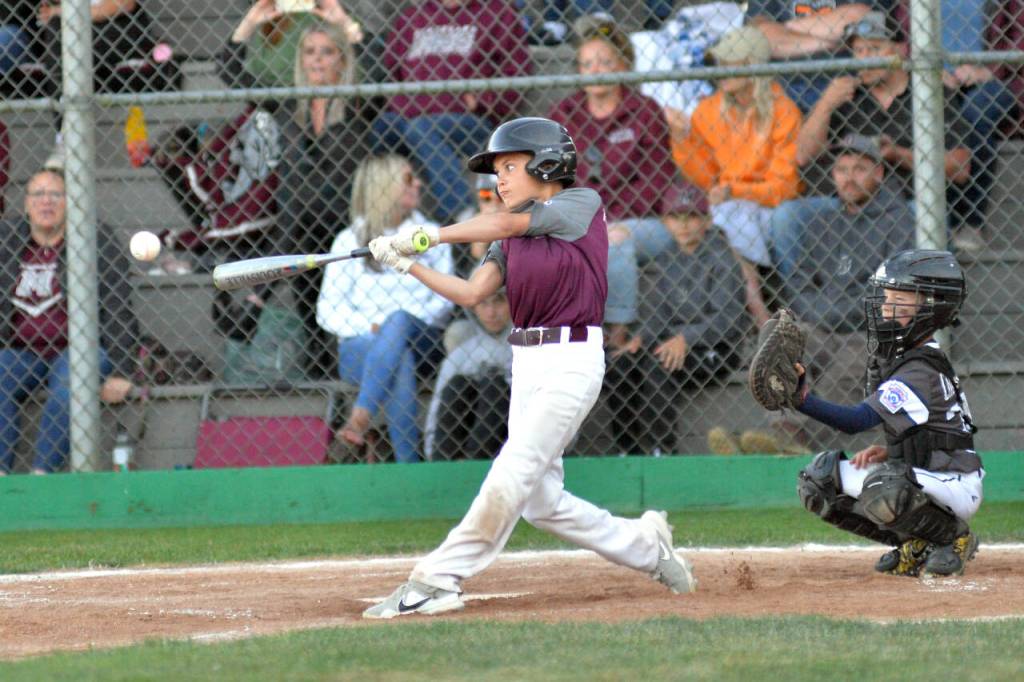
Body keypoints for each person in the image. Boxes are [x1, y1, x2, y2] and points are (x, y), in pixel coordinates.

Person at [360, 116, 696, 619]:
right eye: (498, 170)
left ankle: (437, 579)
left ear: (547, 163)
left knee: (512, 471)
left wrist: (423, 237)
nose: (500, 179)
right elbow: (474, 292)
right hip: (528, 363)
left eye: (510, 166)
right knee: (541, 502)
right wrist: (407, 264)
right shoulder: (510, 234)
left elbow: (503, 221)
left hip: (572, 361)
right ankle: (648, 547)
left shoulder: (580, 204)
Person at [793, 249, 982, 578]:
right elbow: (923, 427)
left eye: (899, 299)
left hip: (956, 483)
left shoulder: (919, 368)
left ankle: (953, 538)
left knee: (884, 485)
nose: (884, 307)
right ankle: (918, 543)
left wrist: (802, 400)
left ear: (930, 307)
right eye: (886, 297)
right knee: (820, 481)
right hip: (929, 472)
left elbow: (857, 421)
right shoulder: (904, 356)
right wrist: (892, 451)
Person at [219, 0, 374, 377]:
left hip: (345, 224)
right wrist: (253, 20)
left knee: (300, 223)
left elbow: (385, 67)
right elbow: (228, 70)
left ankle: (256, 298)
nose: (317, 61)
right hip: (302, 227)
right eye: (309, 52)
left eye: (327, 52)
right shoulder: (289, 104)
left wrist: (345, 23)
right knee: (298, 212)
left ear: (342, 59)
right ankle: (315, 361)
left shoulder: (358, 103)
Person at [776, 11, 972, 273]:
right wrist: (825, 104)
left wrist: (897, 154)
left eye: (875, 48)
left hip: (906, 202)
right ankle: (801, 300)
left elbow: (960, 168)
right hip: (845, 204)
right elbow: (802, 155)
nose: (865, 58)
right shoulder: (846, 95)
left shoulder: (931, 91)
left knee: (921, 215)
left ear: (900, 50)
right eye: (859, 51)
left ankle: (909, 303)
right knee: (786, 216)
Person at [768, 134, 914, 452]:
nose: (849, 178)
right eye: (842, 169)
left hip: (869, 329)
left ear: (878, 173)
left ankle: (808, 444)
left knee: (845, 369)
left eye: (859, 169)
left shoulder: (898, 219)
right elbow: (799, 284)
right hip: (822, 322)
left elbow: (889, 292)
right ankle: (782, 431)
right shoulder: (822, 221)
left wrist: (831, 313)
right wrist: (823, 314)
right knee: (782, 345)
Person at [316, 154, 454, 463]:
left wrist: (392, 326)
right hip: (361, 346)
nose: (418, 183)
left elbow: (444, 299)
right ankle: (410, 466)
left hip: (422, 341)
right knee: (397, 355)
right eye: (408, 179)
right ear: (385, 187)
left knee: (399, 323)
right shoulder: (348, 240)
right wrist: (372, 328)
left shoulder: (430, 234)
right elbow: (328, 309)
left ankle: (359, 419)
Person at [547, 15, 680, 331]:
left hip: (642, 221)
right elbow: (551, 179)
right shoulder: (563, 115)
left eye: (605, 61)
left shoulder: (645, 111)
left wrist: (606, 217)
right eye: (587, 63)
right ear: (579, 70)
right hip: (579, 221)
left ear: (622, 66)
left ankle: (617, 331)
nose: (596, 70)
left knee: (615, 239)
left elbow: (657, 180)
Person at [0, 169, 136, 475]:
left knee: (72, 379)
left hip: (78, 349)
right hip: (21, 351)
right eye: (38, 194)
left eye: (55, 195)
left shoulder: (95, 240)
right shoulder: (6, 241)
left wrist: (122, 369)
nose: (46, 202)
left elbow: (117, 305)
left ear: (70, 202)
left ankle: (42, 475)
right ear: (25, 204)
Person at [603, 182, 748, 455]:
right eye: (675, 217)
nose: (684, 225)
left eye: (692, 216)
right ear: (665, 222)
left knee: (659, 363)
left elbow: (728, 320)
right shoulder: (669, 257)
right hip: (672, 341)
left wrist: (686, 339)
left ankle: (663, 450)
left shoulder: (721, 258)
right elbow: (660, 313)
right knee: (621, 364)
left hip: (716, 348)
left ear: (706, 220)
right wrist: (641, 339)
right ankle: (626, 450)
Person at [672, 25, 802, 328]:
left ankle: (754, 300)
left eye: (733, 64)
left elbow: (784, 187)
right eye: (722, 63)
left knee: (729, 214)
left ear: (754, 66)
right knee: (725, 214)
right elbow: (705, 179)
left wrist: (735, 191)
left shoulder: (784, 110)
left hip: (769, 206)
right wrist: (682, 138)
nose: (724, 71)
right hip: (729, 206)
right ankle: (754, 299)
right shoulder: (708, 109)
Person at [375, 0, 532, 226]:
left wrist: (483, 100)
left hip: (469, 121)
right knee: (382, 128)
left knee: (421, 128)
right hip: (410, 117)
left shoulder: (497, 12)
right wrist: (403, 104)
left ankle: (464, 213)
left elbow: (517, 72)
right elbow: (390, 73)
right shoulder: (413, 15)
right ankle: (385, 219)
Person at [424, 290, 513, 460]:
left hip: (514, 439)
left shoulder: (530, 347)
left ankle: (476, 463)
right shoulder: (462, 353)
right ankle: (444, 464)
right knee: (458, 384)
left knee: (494, 387)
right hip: (464, 440)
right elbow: (437, 408)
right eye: (483, 304)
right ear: (473, 307)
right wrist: (431, 454)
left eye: (499, 302)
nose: (491, 312)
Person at [745, 0, 875, 113]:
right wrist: (831, 41)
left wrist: (783, 28)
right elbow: (757, 36)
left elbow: (861, 16)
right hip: (784, 89)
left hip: (846, 90)